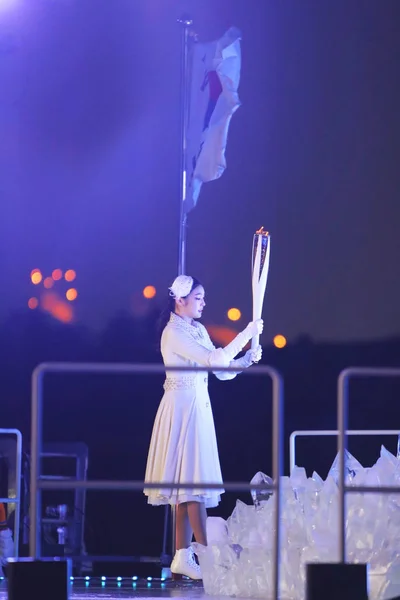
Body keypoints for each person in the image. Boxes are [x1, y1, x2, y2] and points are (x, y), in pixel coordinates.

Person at [144, 275, 263, 580]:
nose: (203, 303)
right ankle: (208, 557)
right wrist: (246, 334)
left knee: (189, 485)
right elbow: (215, 358)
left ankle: (183, 557)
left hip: (199, 408)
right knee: (192, 484)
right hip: (181, 409)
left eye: (203, 298)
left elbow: (220, 370)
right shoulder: (173, 332)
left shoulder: (197, 329)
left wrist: (246, 360)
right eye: (198, 297)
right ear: (180, 300)